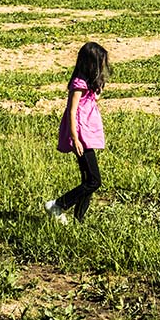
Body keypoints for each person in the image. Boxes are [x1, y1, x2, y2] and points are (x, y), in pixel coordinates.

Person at [45, 42, 110, 224]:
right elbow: (72, 111)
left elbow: (93, 100)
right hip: (81, 135)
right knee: (94, 181)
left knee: (87, 180)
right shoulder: (78, 83)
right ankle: (58, 205)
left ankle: (79, 220)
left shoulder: (87, 82)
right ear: (90, 63)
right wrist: (75, 138)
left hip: (87, 134)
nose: (101, 66)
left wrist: (100, 88)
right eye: (99, 63)